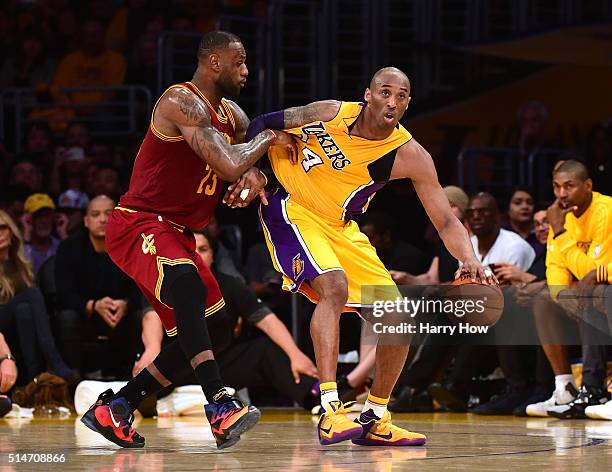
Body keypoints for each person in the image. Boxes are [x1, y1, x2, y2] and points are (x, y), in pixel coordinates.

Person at [233, 67, 492, 446]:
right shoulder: (328, 113)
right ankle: (330, 410)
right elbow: (259, 124)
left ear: (406, 104)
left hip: (339, 225)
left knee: (398, 316)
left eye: (401, 96)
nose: (392, 101)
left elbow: (445, 221)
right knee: (333, 287)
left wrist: (469, 259)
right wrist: (255, 170)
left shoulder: (408, 154)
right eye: (385, 92)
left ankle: (375, 416)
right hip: (291, 207)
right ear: (368, 95)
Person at [81, 31, 284, 450]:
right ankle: (220, 405)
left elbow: (247, 164)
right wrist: (265, 143)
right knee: (187, 284)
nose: (247, 71)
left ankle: (116, 407)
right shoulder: (181, 101)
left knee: (218, 327)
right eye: (239, 62)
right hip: (140, 222)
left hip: (179, 231)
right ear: (214, 63)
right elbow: (231, 162)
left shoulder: (234, 116)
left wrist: (257, 172)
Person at [136, 229, 320, 410]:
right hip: (180, 365)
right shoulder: (163, 283)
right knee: (152, 365)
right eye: (190, 250)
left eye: (203, 250)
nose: (197, 255)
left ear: (213, 256)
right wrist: (152, 348)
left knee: (265, 350)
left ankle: (318, 398)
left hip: (220, 365)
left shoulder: (230, 284)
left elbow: (266, 319)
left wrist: (295, 355)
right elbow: (151, 316)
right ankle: (142, 401)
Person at [543, 159, 612, 418]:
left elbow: (595, 270)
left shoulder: (605, 210)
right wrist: (561, 293)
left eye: (569, 186)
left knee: (599, 293)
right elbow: (555, 265)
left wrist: (560, 232)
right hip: (597, 291)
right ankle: (569, 388)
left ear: (588, 186)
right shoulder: (561, 213)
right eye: (557, 187)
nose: (562, 194)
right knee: (543, 301)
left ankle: (595, 387)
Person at [54, 196, 141, 378]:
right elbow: (64, 293)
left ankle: (135, 377)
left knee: (143, 316)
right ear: (86, 221)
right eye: (95, 214)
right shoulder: (69, 247)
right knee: (66, 317)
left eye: (108, 214)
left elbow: (142, 286)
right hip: (85, 314)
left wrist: (126, 305)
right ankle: (73, 379)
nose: (102, 219)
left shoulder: (132, 245)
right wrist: (93, 305)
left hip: (122, 314)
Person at [0, 210, 74, 384]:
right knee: (31, 295)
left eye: (2, 228)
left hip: (16, 324)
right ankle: (54, 360)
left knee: (24, 310)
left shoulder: (19, 263)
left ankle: (32, 380)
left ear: (11, 231)